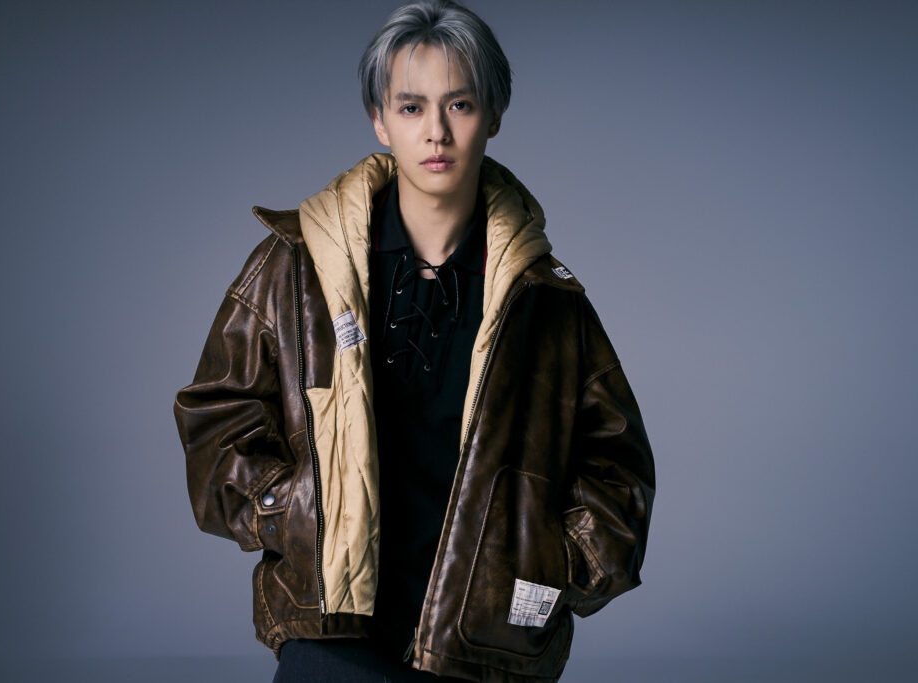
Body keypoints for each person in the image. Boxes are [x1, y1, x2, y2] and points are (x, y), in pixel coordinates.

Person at [173, 1, 655, 680]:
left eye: (459, 104)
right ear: (380, 119)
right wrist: (293, 515)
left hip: (482, 649)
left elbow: (619, 475)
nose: (436, 131)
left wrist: (545, 571)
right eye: (411, 106)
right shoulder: (298, 265)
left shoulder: (545, 300)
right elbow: (214, 423)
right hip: (333, 637)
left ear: (493, 115)